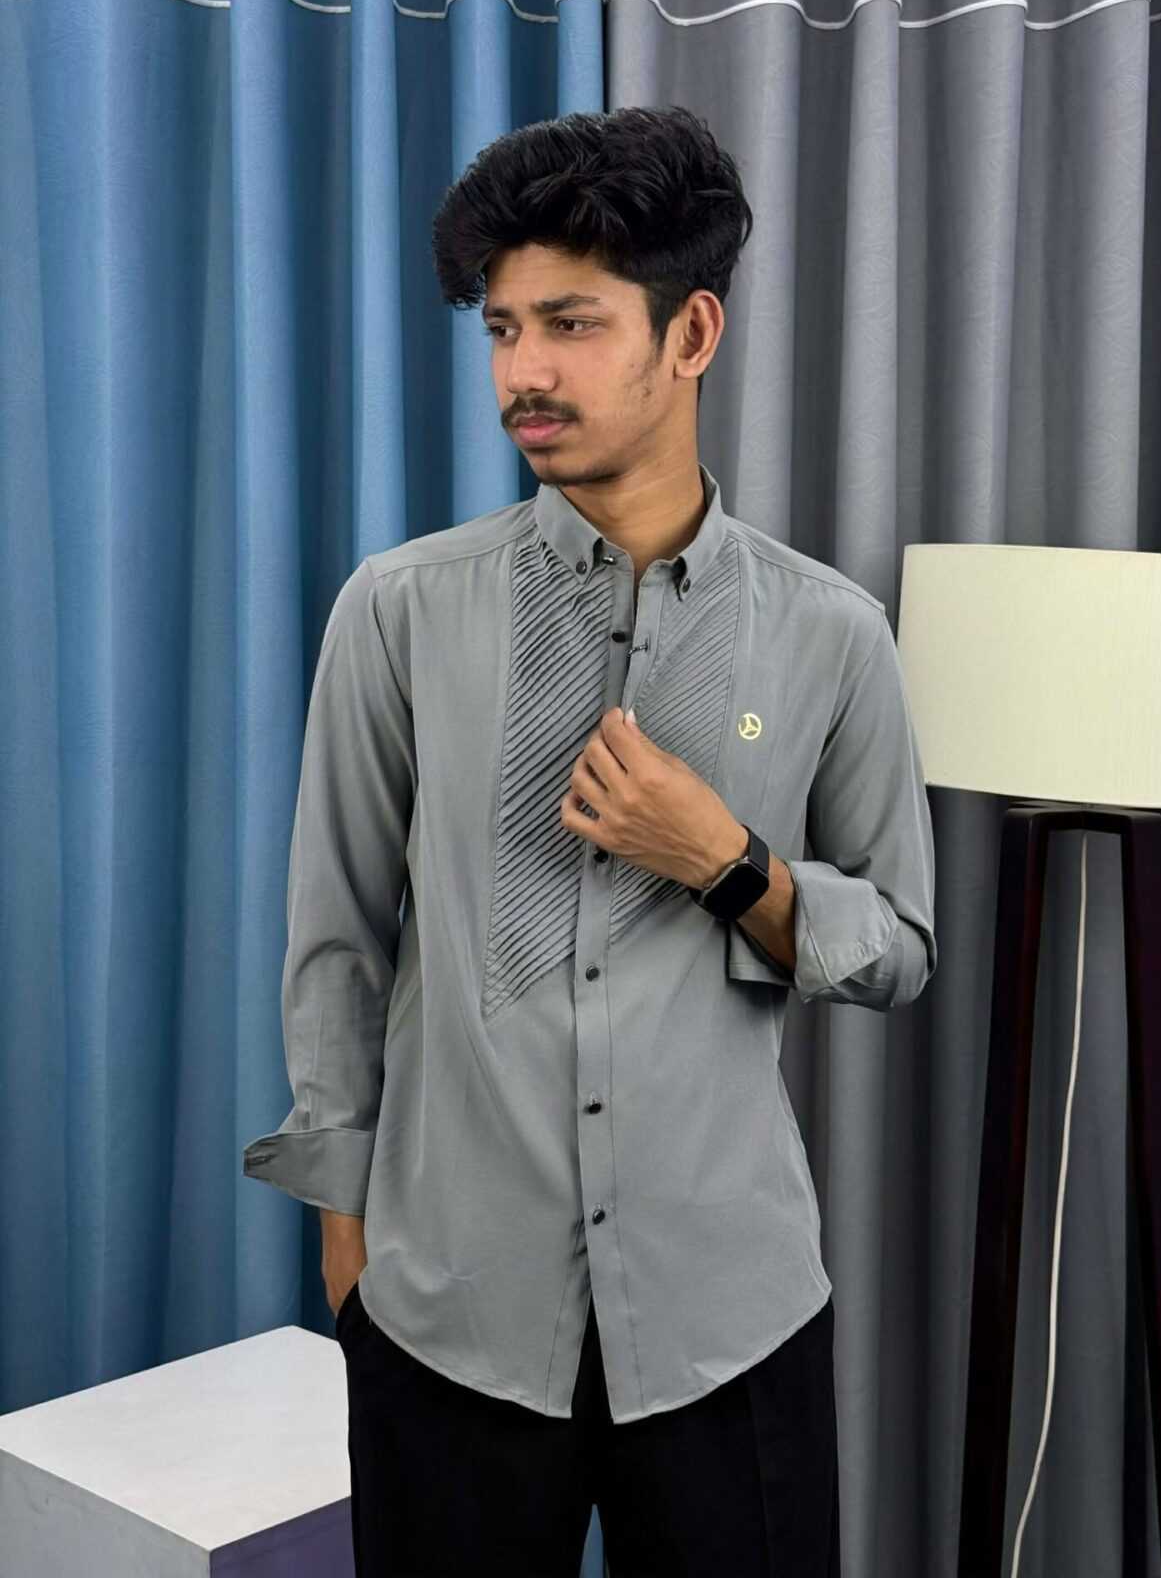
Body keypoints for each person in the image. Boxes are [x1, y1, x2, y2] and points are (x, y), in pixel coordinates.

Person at [243, 103, 936, 1578]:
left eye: (570, 324)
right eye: (503, 329)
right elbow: (337, 939)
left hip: (728, 1323)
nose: (523, 374)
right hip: (450, 1320)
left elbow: (901, 950)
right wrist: (351, 1247)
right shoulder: (399, 612)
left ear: (692, 335)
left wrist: (731, 864)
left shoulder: (833, 633)